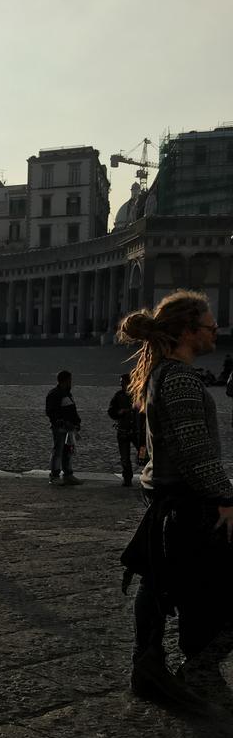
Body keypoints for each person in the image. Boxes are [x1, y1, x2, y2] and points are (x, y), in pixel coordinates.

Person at [117, 289, 233, 707]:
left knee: (172, 585)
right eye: (209, 327)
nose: (216, 333)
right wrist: (225, 497)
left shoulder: (161, 374)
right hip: (189, 502)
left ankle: (151, 666)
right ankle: (198, 668)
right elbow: (194, 449)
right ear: (187, 331)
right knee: (208, 591)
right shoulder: (180, 378)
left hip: (170, 501)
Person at [45, 370, 82, 486]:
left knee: (68, 451)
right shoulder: (56, 394)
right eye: (70, 380)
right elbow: (51, 412)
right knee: (58, 451)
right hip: (61, 428)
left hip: (69, 428)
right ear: (66, 380)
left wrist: (76, 423)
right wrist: (61, 422)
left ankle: (68, 474)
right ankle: (55, 475)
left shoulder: (65, 393)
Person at [108, 373, 144, 487]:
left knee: (143, 453)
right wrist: (119, 413)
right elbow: (111, 411)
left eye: (123, 383)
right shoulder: (118, 396)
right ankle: (127, 478)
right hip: (123, 431)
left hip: (138, 432)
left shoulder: (139, 395)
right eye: (121, 384)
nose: (122, 385)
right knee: (124, 457)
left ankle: (146, 473)